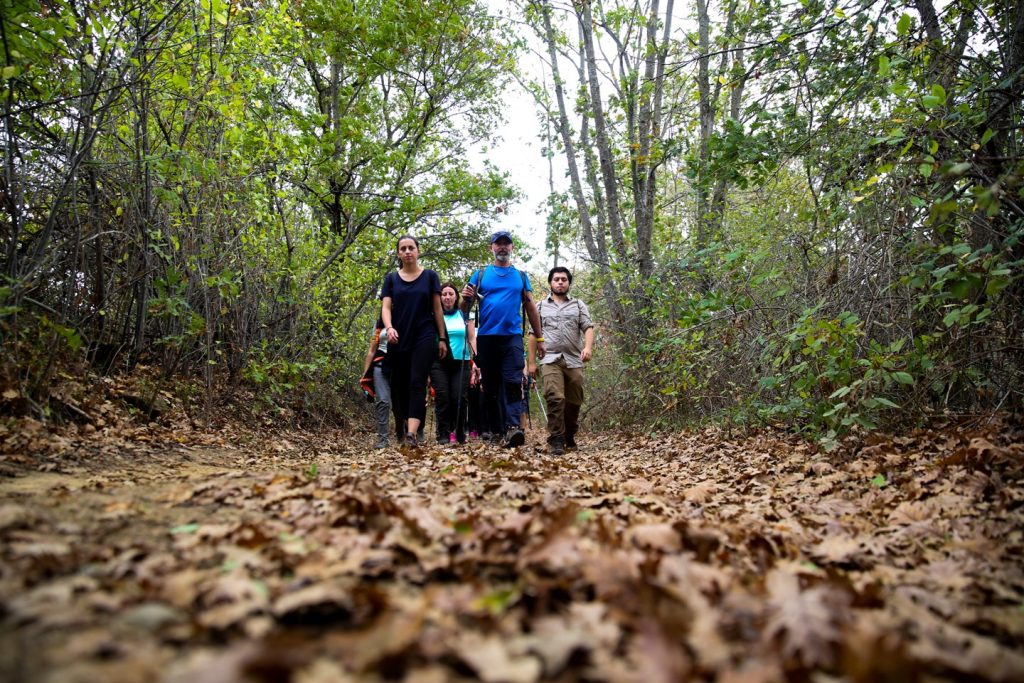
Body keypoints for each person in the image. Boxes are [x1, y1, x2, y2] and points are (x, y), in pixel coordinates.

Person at [460, 230, 545, 448]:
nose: (502, 247)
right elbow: (463, 309)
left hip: (512, 338)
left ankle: (513, 427)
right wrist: (464, 299)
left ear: (512, 248)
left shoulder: (521, 276)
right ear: (492, 248)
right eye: (498, 244)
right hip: (487, 338)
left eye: (506, 244)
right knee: (491, 387)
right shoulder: (480, 275)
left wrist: (541, 337)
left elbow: (531, 308)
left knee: (513, 381)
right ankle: (497, 430)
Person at [380, 235, 448, 450]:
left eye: (411, 247)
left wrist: (442, 338)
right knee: (398, 387)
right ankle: (402, 425)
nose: (408, 251)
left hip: (424, 335)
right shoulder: (391, 279)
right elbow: (386, 308)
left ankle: (411, 434)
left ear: (418, 251)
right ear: (399, 254)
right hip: (398, 337)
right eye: (403, 248)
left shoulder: (430, 277)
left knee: (417, 382)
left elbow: (437, 309)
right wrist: (389, 327)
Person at [527, 266, 595, 456]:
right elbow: (532, 335)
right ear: (550, 282)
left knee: (574, 401)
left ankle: (569, 434)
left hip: (574, 359)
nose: (560, 282)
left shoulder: (579, 305)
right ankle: (556, 438)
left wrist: (588, 348)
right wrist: (531, 363)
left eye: (563, 279)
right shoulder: (540, 306)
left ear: (569, 283)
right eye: (556, 279)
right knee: (555, 398)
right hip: (550, 359)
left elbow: (588, 327)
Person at [430, 283, 476, 444]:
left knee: (459, 397)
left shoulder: (463, 315)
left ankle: (459, 431)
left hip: (461, 362)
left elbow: (471, 338)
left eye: (450, 294)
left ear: (456, 297)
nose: (447, 297)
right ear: (439, 297)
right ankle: (442, 433)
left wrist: (475, 360)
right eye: (444, 294)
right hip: (438, 362)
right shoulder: (434, 315)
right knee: (443, 396)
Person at [360, 319, 394, 449]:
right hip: (380, 365)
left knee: (400, 404)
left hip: (400, 366)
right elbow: (372, 350)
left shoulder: (406, 316)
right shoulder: (379, 323)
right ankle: (383, 438)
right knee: (383, 401)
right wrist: (365, 374)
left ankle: (404, 433)